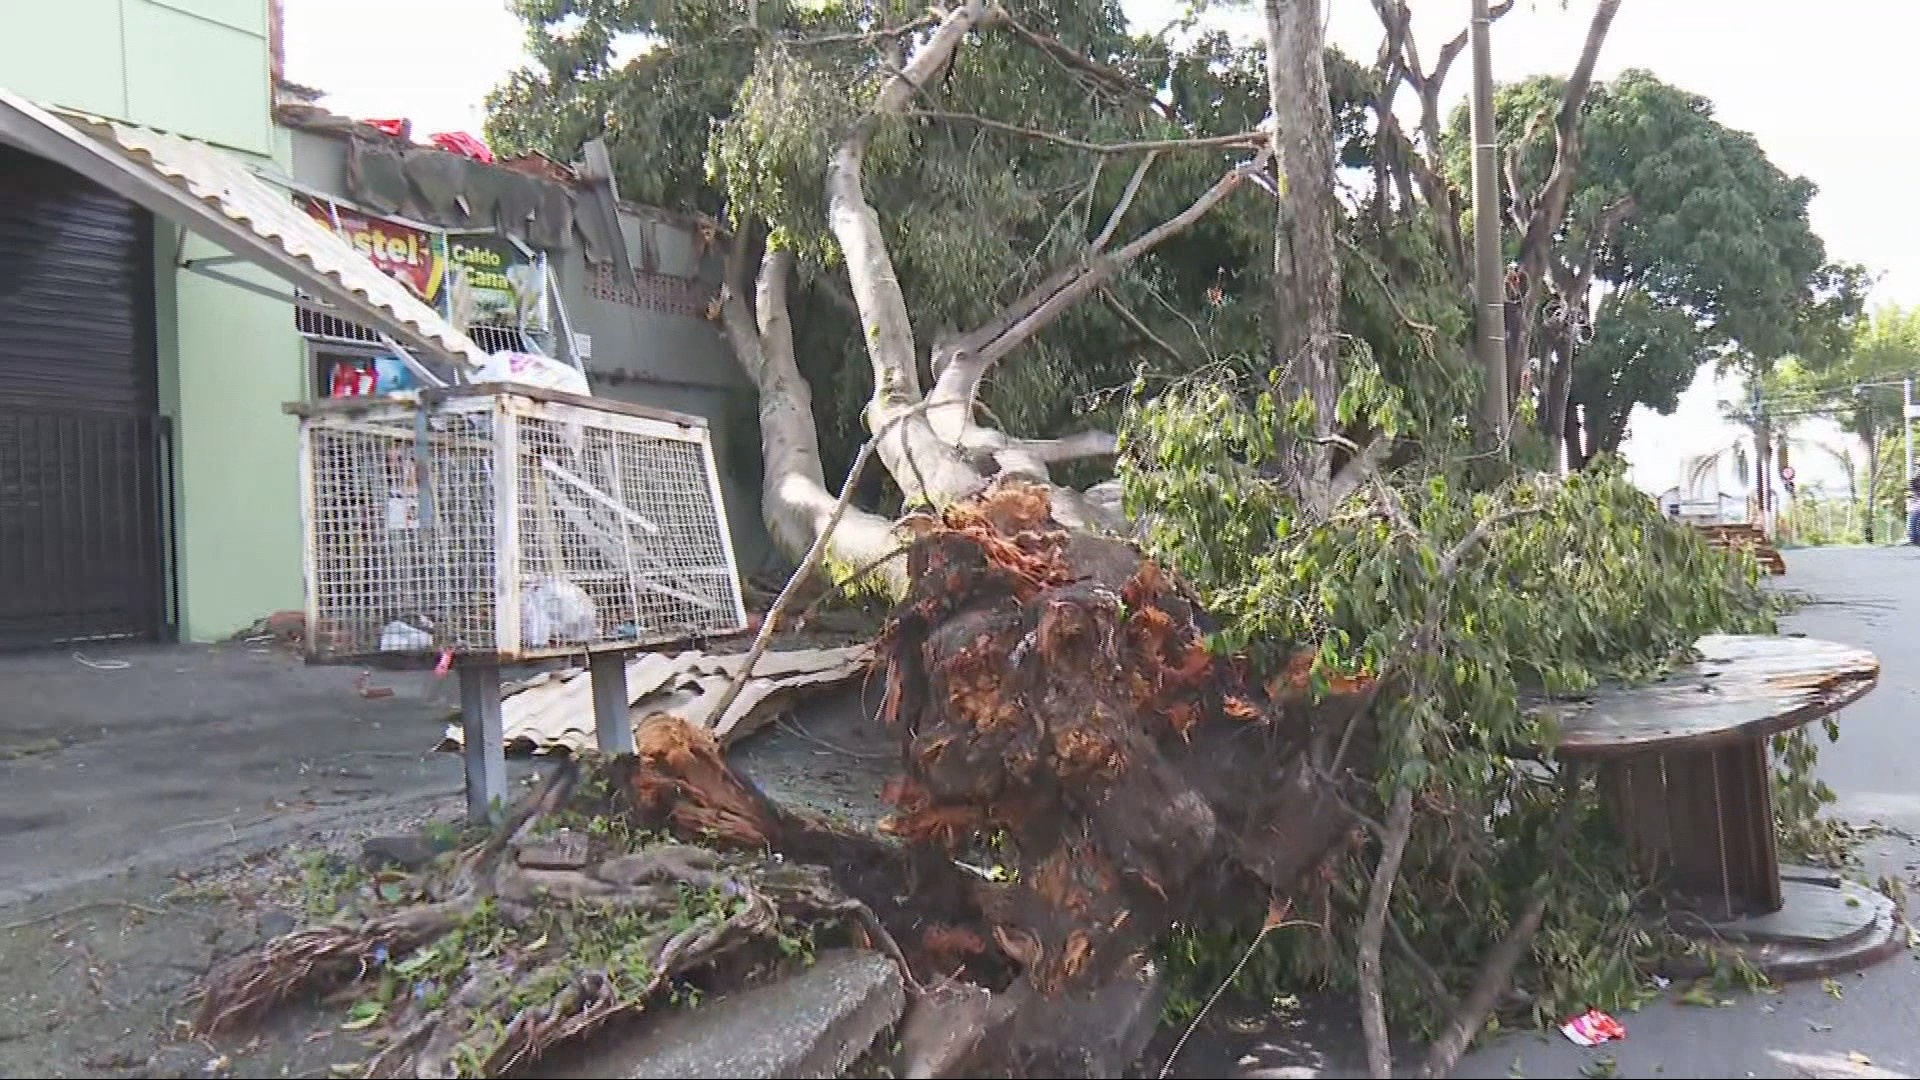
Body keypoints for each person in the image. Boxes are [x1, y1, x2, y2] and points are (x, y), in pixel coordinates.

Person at [1907, 474, 1920, 546]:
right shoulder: (1914, 494)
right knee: (1913, 530)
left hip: (1915, 510)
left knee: (1914, 529)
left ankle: (1915, 540)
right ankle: (1915, 540)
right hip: (1914, 510)